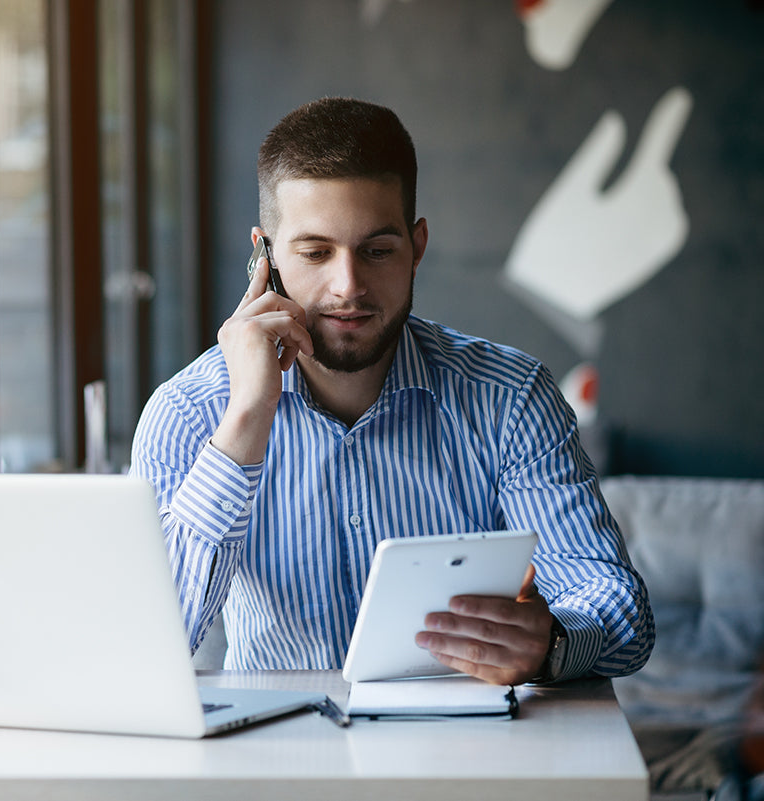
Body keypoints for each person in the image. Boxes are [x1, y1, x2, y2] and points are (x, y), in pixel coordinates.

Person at [129, 97, 654, 685]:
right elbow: (146, 646)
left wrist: (551, 644)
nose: (348, 285)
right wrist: (248, 415)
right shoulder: (188, 413)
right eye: (315, 252)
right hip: (280, 760)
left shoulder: (511, 399)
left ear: (417, 247)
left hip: (467, 756)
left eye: (377, 251)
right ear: (266, 256)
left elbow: (620, 612)